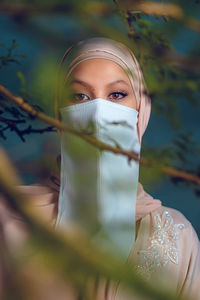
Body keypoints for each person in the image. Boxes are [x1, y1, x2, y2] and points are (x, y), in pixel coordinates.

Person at [0, 37, 200, 300]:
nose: (98, 112)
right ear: (59, 116)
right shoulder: (8, 220)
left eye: (117, 95)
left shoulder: (177, 235)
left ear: (141, 110)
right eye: (79, 96)